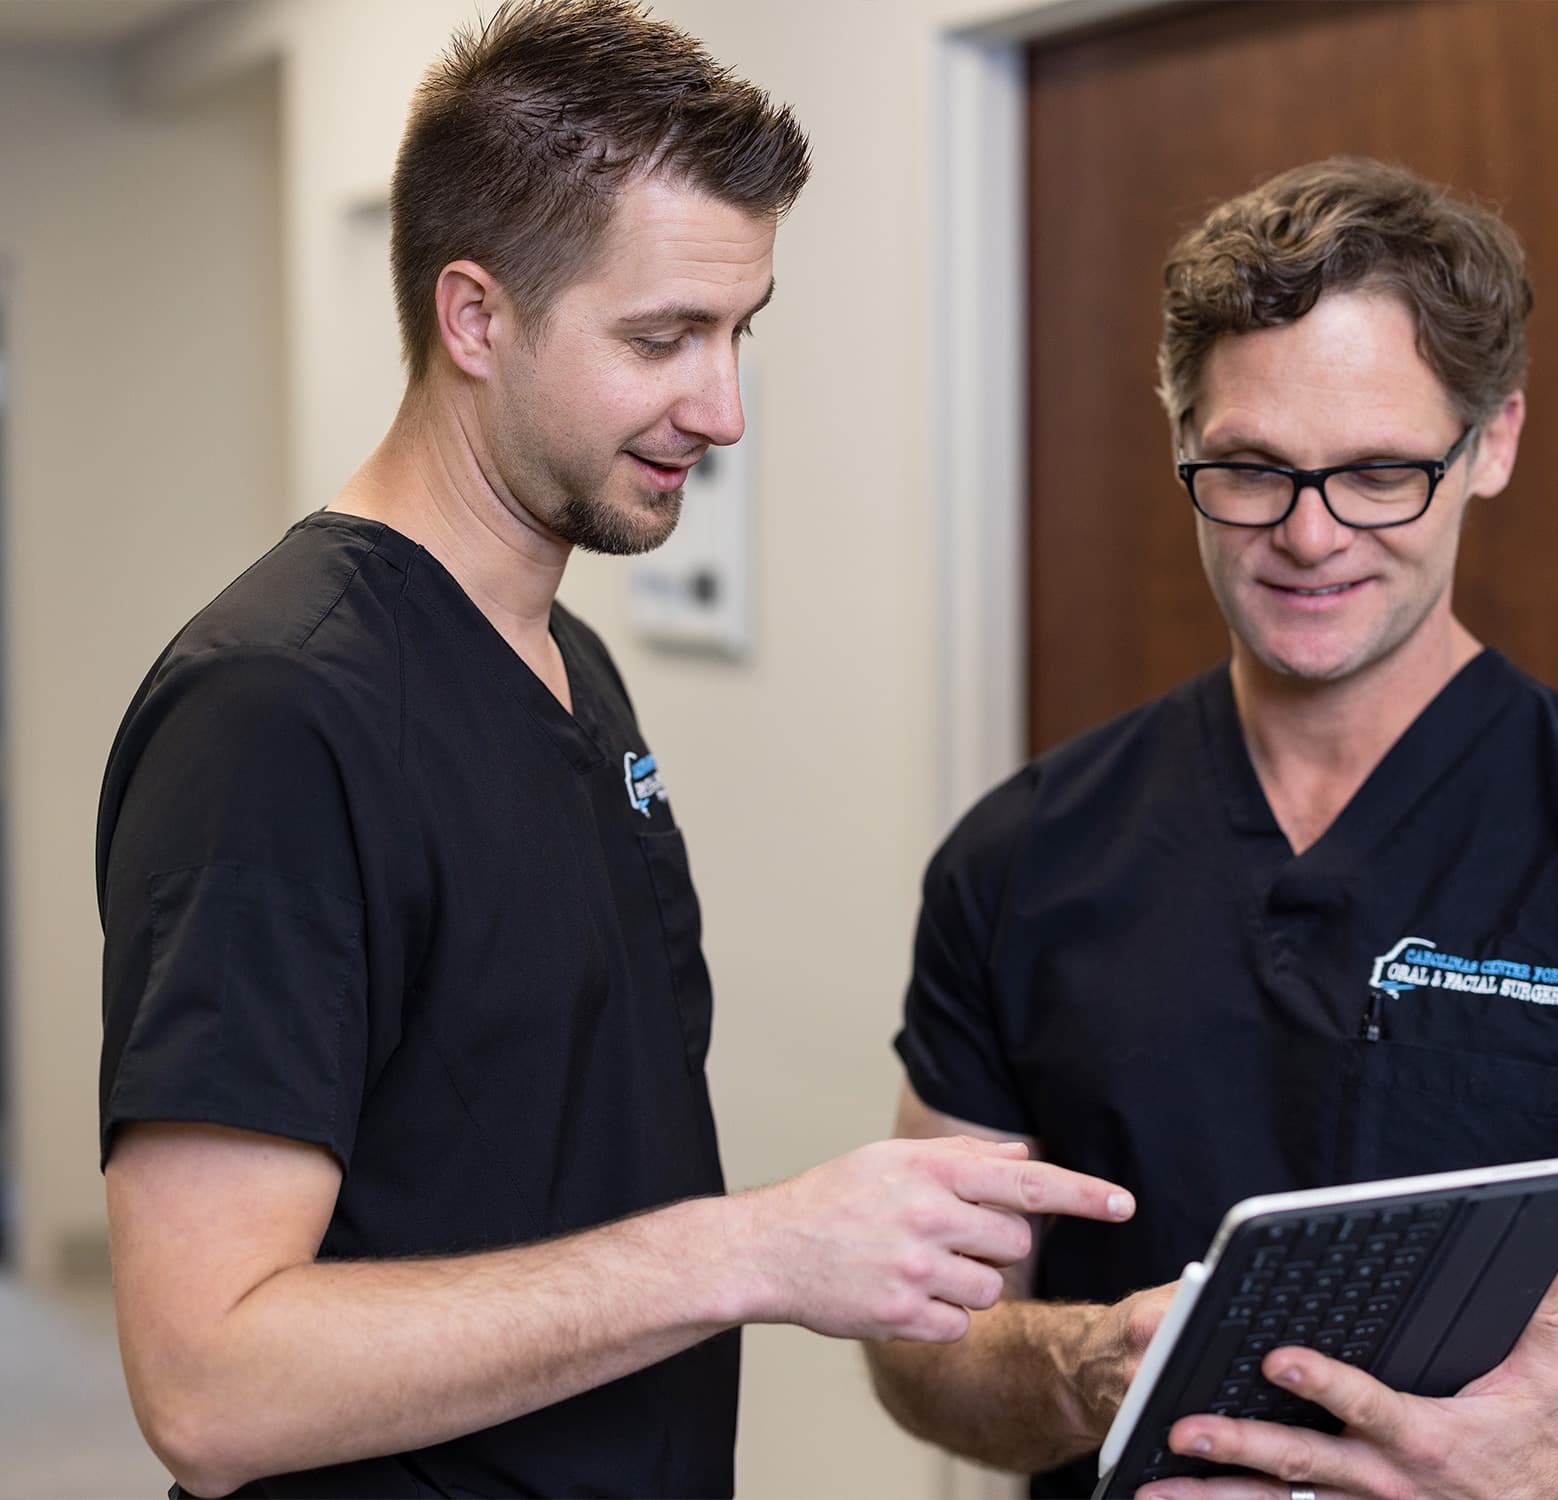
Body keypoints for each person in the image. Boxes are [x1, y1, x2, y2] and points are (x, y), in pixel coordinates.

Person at [95, 4, 1132, 1496]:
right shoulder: (276, 711)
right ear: (476, 318)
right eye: (662, 338)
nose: (720, 409)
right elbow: (208, 1383)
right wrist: (756, 1249)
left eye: (738, 334)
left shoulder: (571, 671)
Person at [868, 157, 1558, 1500]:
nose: (1310, 535)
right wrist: (1077, 1363)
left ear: (1494, 444)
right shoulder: (1019, 861)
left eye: (1377, 473)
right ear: (1179, 435)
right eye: (1250, 468)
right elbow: (924, 1351)